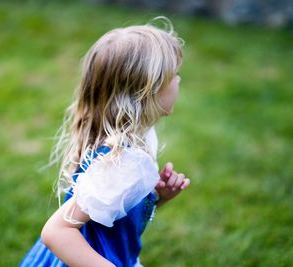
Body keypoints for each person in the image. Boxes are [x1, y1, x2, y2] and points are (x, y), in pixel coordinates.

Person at [20, 17, 190, 267]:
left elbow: (116, 210)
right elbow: (57, 232)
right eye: (173, 75)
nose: (178, 80)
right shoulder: (123, 164)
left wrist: (154, 197)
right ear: (146, 93)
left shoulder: (136, 137)